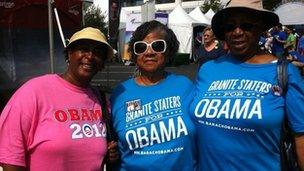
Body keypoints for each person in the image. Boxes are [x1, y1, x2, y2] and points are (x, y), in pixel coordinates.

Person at [189, 0, 304, 170]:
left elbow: (300, 136)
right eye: (229, 26)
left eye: (246, 25)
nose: (237, 32)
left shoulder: (284, 72)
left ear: (260, 28)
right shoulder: (208, 70)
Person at [0, 27, 118, 171]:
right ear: (70, 54)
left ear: (102, 63)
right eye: (83, 49)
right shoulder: (34, 92)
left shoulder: (101, 100)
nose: (90, 56)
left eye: (98, 52)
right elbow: (11, 157)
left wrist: (108, 152)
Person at [110, 20, 197, 170]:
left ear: (168, 51)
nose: (149, 52)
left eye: (157, 46)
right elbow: (110, 141)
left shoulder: (185, 86)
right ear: (135, 54)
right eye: (141, 47)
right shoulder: (120, 93)